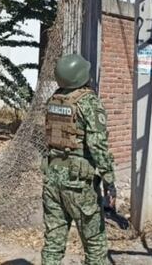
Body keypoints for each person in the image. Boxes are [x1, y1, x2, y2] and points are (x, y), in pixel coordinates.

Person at [41, 53, 116, 265]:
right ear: (82, 75)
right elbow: (98, 146)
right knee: (95, 245)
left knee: (53, 243)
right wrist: (110, 179)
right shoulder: (89, 102)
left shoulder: (54, 99)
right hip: (79, 184)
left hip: (52, 179)